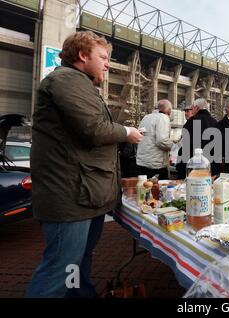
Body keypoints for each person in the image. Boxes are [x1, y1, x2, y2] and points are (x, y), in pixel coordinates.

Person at [27, 31, 143, 298]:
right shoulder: (67, 79)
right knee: (60, 269)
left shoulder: (79, 82)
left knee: (76, 265)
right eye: (102, 57)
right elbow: (93, 128)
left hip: (83, 196)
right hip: (70, 197)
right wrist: (127, 132)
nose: (107, 64)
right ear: (82, 55)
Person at [176, 98, 218, 179]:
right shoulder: (215, 122)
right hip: (210, 163)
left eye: (192, 108)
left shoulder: (192, 121)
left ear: (196, 107)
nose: (192, 111)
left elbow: (184, 141)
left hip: (190, 163)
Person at [136, 99, 174, 180]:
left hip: (142, 161)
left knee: (144, 188)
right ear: (169, 110)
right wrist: (174, 147)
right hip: (156, 164)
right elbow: (162, 141)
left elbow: (139, 136)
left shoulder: (146, 117)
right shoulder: (163, 118)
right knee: (160, 189)